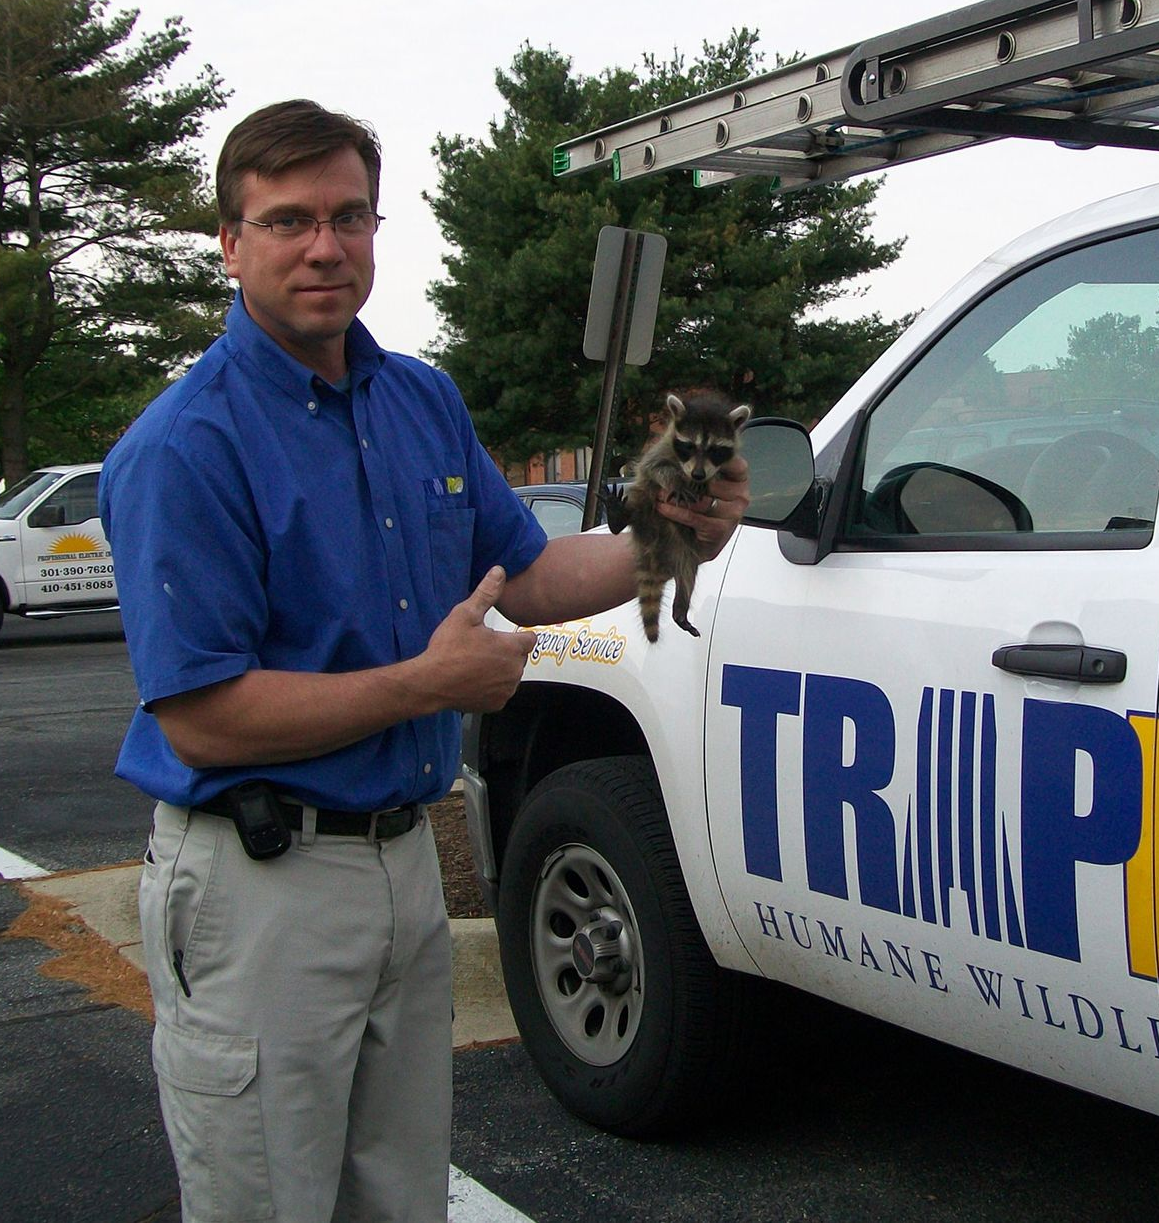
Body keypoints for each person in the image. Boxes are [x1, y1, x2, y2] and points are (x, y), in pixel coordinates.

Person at [99, 99, 748, 1223]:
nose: (325, 246)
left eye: (349, 216)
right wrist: (426, 687)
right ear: (231, 244)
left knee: (402, 1200)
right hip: (260, 889)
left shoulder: (419, 399)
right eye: (289, 221)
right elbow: (201, 718)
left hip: (403, 868)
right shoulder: (185, 445)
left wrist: (669, 534)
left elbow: (524, 575)